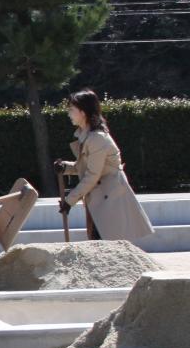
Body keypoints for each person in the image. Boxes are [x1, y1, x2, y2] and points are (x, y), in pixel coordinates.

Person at [54, 89, 153, 241]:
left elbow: (92, 175)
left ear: (83, 112)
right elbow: (87, 167)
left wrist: (69, 200)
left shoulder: (96, 138)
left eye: (71, 110)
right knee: (100, 244)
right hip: (101, 197)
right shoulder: (87, 136)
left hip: (110, 198)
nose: (69, 114)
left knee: (108, 245)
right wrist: (66, 167)